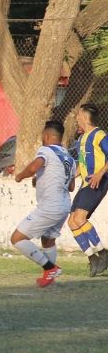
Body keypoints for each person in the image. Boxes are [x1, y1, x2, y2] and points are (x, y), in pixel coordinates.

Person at [11, 120, 76, 287]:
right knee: (48, 240)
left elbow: (34, 167)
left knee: (17, 238)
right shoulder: (68, 157)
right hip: (64, 206)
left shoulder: (46, 150)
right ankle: (50, 278)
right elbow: (71, 186)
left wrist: (20, 176)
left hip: (50, 206)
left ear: (46, 135)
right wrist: (41, 180)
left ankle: (50, 268)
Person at [67, 103, 108, 276]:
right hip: (86, 184)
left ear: (85, 116)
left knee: (79, 218)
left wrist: (99, 174)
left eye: (78, 115)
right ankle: (93, 258)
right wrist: (71, 177)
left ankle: (104, 254)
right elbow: (82, 164)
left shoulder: (99, 135)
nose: (76, 118)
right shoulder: (82, 139)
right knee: (72, 221)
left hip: (97, 182)